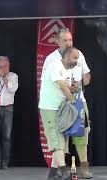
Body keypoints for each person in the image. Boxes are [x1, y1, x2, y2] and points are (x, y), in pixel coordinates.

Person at [42, 28, 92, 179]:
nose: (68, 43)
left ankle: (83, 167)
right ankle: (60, 170)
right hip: (60, 105)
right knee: (59, 137)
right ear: (57, 41)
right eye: (64, 40)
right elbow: (59, 85)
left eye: (70, 40)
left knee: (81, 133)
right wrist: (71, 99)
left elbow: (86, 74)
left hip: (77, 101)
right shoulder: (52, 60)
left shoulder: (78, 54)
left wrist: (84, 81)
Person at [39, 47, 79, 180]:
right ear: (67, 57)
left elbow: (67, 87)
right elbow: (62, 86)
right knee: (56, 140)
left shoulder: (69, 70)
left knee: (62, 141)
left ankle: (52, 173)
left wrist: (73, 88)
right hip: (49, 108)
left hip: (61, 108)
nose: (77, 61)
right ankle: (65, 171)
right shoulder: (55, 65)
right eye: (75, 58)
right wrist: (74, 104)